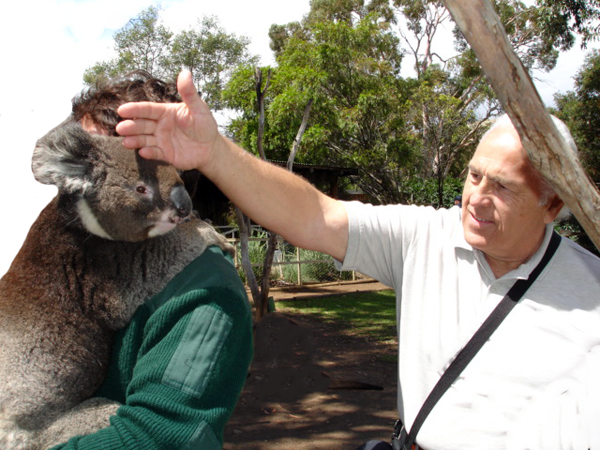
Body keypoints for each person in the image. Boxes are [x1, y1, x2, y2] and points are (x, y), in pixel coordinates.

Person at [116, 70, 600, 450]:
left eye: (503, 188)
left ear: (554, 204)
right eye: (475, 176)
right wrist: (213, 153)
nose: (476, 198)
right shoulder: (424, 237)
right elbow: (315, 216)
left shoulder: (592, 289)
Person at [49, 71, 254, 450]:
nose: (72, 182)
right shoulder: (74, 249)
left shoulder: (205, 290)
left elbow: (159, 437)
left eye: (92, 166)